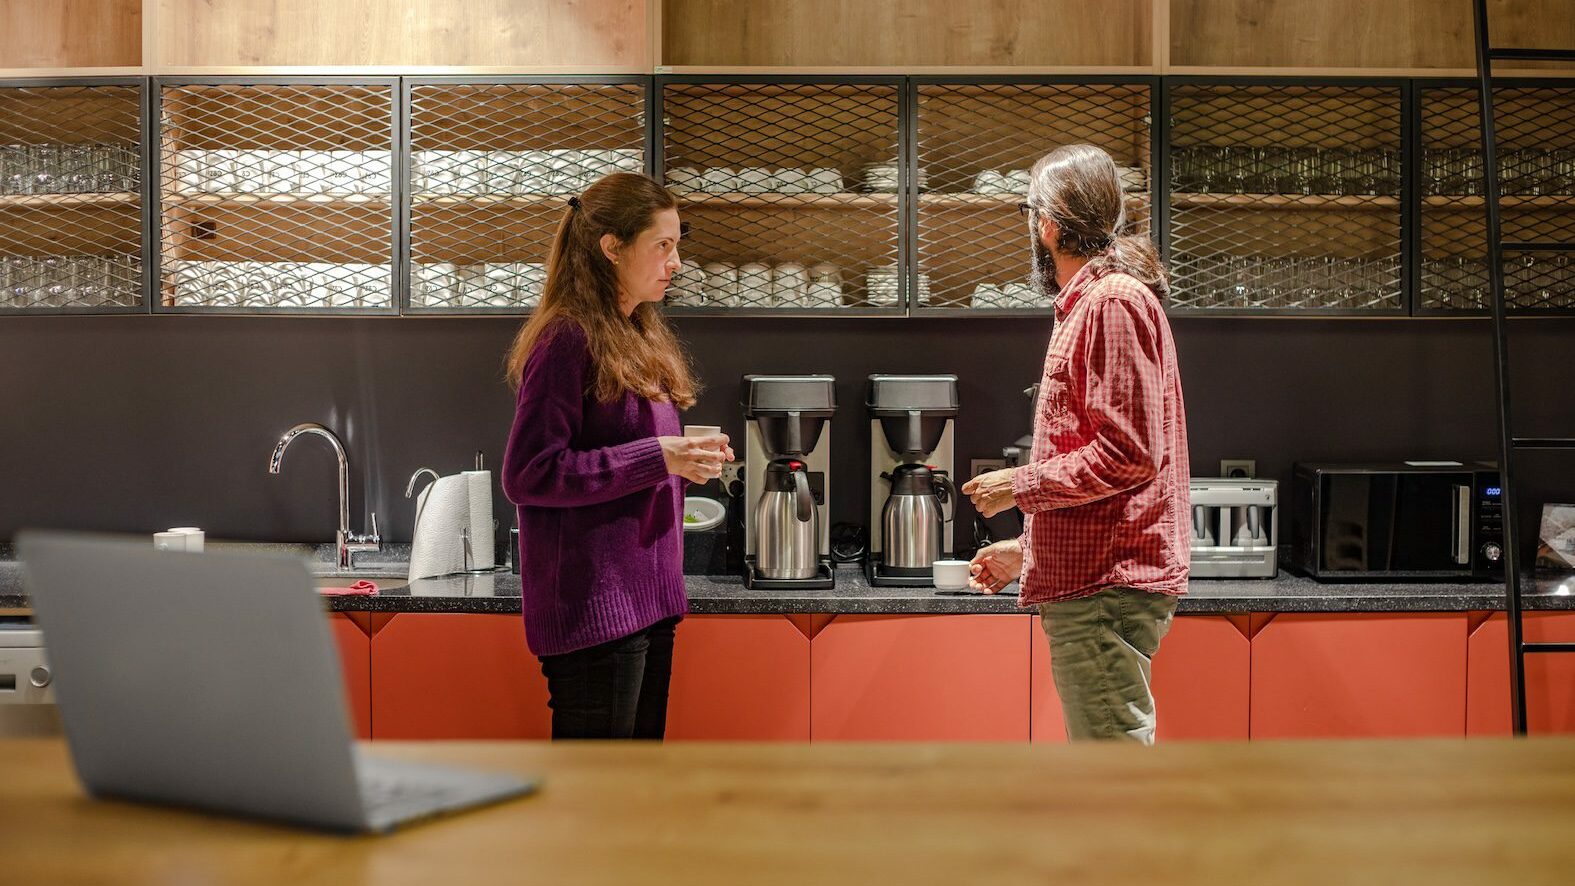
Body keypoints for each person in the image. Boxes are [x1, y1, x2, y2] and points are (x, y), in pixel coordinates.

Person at [962, 144, 1191, 745]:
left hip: (1104, 585)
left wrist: (1019, 485)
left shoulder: (1111, 302)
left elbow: (1129, 453)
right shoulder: (1094, 302)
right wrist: (1028, 548)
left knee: (1111, 771)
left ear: (1048, 225)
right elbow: (1102, 455)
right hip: (1094, 578)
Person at [501, 172, 733, 740]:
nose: (676, 261)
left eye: (679, 244)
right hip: (595, 610)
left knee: (635, 801)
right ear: (612, 247)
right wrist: (658, 457)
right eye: (663, 244)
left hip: (649, 601)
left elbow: (636, 461)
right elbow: (529, 473)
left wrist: (683, 461)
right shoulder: (566, 339)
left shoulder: (636, 332)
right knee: (595, 809)